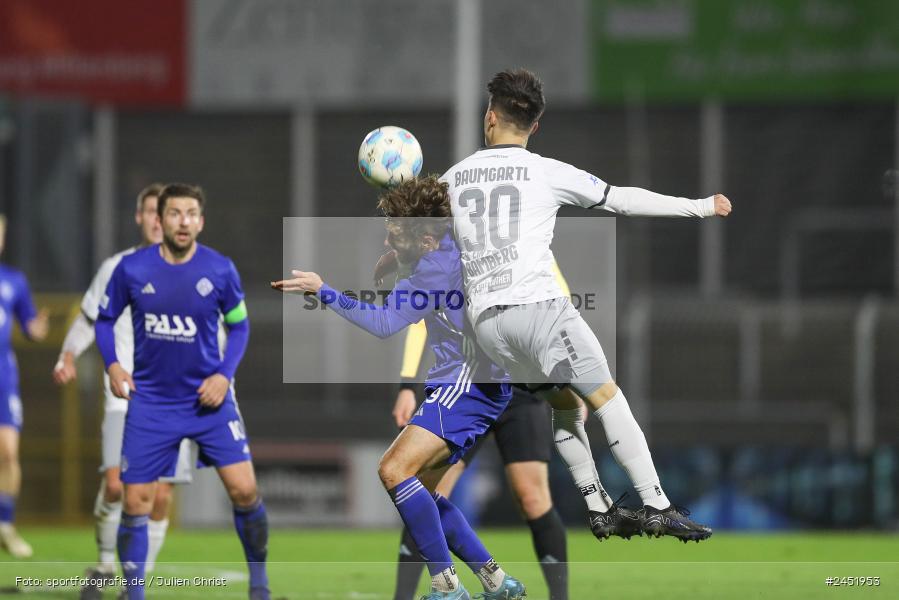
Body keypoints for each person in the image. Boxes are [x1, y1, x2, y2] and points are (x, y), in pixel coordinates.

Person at [447, 68, 732, 542]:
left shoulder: (455, 178)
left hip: (488, 330)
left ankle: (598, 506)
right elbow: (619, 200)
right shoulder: (546, 171)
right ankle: (657, 504)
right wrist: (699, 206)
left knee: (563, 403)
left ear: (490, 116)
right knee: (606, 397)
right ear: (534, 126)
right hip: (537, 307)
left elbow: (426, 239)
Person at [272, 175, 525, 600]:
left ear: (424, 239)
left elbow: (385, 324)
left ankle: (447, 587)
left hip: (466, 384)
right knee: (423, 493)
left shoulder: (432, 269)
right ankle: (498, 583)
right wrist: (400, 260)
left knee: (392, 470)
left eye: (397, 231)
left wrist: (324, 290)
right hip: (482, 382)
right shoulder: (451, 245)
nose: (389, 235)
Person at [95, 183, 269, 599]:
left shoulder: (220, 269)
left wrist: (224, 375)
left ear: (201, 221)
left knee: (245, 491)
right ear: (160, 219)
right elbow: (104, 320)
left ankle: (259, 586)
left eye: (192, 213)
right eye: (174, 213)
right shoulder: (132, 270)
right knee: (135, 500)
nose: (183, 221)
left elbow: (240, 325)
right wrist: (113, 364)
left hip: (209, 403)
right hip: (152, 403)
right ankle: (132, 593)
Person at [386, 270, 574, 600]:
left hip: (522, 392)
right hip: (470, 387)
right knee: (424, 490)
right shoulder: (453, 250)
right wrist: (406, 384)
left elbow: (559, 306)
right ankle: (407, 595)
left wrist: (566, 383)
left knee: (533, 498)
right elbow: (421, 316)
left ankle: (554, 596)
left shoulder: (525, 246)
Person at [52, 184, 195, 597]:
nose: (157, 219)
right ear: (141, 217)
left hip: (174, 400)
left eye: (164, 212)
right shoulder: (119, 266)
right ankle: (102, 566)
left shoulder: (194, 269)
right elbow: (87, 318)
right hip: (124, 397)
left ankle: (134, 586)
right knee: (117, 485)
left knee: (160, 497)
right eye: (151, 211)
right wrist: (66, 355)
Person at [0, 214, 49, 558]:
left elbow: (30, 325)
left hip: (3, 375)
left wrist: (38, 330)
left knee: (7, 452)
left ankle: (5, 524)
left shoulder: (14, 280)